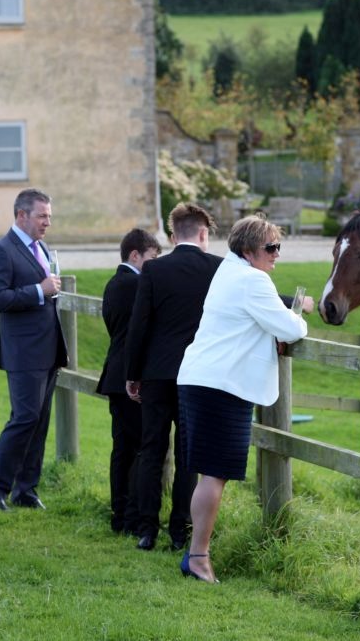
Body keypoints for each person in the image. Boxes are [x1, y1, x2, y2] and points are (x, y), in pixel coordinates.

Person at [176, 215, 308, 583]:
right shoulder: (253, 280)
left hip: (203, 380)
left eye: (278, 246)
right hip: (220, 386)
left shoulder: (229, 271)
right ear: (248, 250)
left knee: (210, 473)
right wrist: (297, 320)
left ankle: (196, 554)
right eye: (271, 247)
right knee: (214, 474)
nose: (276, 254)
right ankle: (198, 557)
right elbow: (290, 327)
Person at [123, 202, 221, 551]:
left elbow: (139, 325)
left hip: (157, 373)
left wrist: (133, 374)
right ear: (203, 233)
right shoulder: (217, 267)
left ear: (172, 235)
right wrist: (296, 303)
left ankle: (147, 529)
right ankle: (181, 529)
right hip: (196, 375)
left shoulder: (153, 270)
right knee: (187, 455)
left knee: (152, 449)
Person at [0, 188, 68, 512]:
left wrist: (48, 291)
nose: (47, 223)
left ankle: (26, 490)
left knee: (39, 421)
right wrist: (39, 290)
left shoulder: (41, 247)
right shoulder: (1, 250)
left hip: (48, 348)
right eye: (42, 216)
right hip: (23, 351)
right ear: (21, 215)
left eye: (49, 216)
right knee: (24, 418)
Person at [96, 228, 161, 535]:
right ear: (135, 255)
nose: (154, 265)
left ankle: (120, 514)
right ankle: (132, 516)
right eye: (152, 258)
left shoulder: (114, 283)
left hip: (115, 373)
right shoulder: (136, 284)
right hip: (131, 377)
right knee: (138, 449)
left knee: (122, 448)